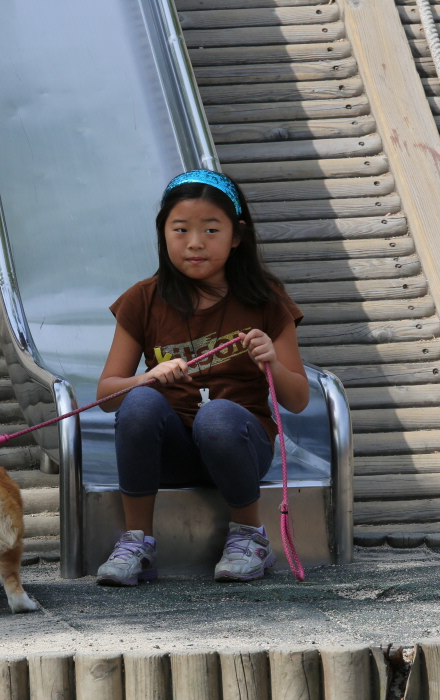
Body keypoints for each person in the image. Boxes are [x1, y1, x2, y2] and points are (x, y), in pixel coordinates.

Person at [94, 169, 309, 586]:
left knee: (217, 417)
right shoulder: (143, 299)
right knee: (140, 401)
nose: (195, 242)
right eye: (181, 230)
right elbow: (106, 395)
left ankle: (250, 536)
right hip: (170, 454)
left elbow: (298, 399)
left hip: (240, 449)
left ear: (236, 236)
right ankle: (137, 542)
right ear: (163, 234)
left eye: (211, 230)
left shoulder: (266, 299)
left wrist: (273, 362)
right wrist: (146, 378)